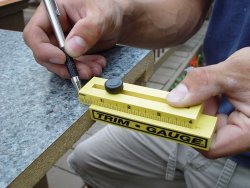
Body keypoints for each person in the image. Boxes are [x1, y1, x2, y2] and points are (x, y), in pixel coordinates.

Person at [23, 0, 250, 187]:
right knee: (86, 159)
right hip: (205, 112)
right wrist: (117, 13)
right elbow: (189, 7)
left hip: (242, 158)